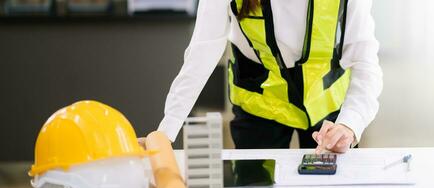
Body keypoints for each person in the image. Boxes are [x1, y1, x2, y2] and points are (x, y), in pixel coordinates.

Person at [157, 0, 382, 154]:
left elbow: (364, 60)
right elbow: (202, 51)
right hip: (260, 105)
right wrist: (166, 133)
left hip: (326, 108)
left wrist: (350, 124)